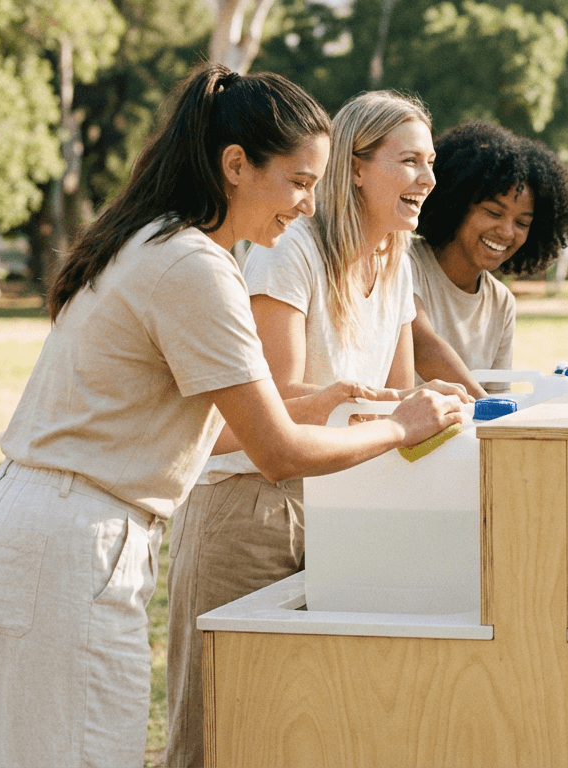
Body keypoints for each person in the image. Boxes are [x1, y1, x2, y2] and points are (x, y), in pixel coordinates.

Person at [0, 65, 461, 768]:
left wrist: (334, 398)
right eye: (299, 182)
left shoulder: (155, 241)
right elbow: (275, 451)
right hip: (71, 546)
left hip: (25, 528)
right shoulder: (196, 266)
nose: (311, 206)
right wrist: (406, 424)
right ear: (235, 166)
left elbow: (232, 415)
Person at [165, 90, 473, 768]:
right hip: (249, 509)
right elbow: (271, 404)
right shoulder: (290, 252)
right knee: (215, 728)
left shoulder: (396, 262)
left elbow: (391, 395)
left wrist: (434, 403)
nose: (427, 180)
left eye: (431, 164)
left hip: (342, 502)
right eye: (410, 162)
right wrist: (395, 415)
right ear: (356, 167)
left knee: (305, 727)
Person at [410, 120, 568, 386]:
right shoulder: (404, 264)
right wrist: (487, 409)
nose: (507, 232)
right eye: (494, 213)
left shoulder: (501, 302)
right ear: (457, 203)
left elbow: (498, 394)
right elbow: (425, 350)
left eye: (522, 223)